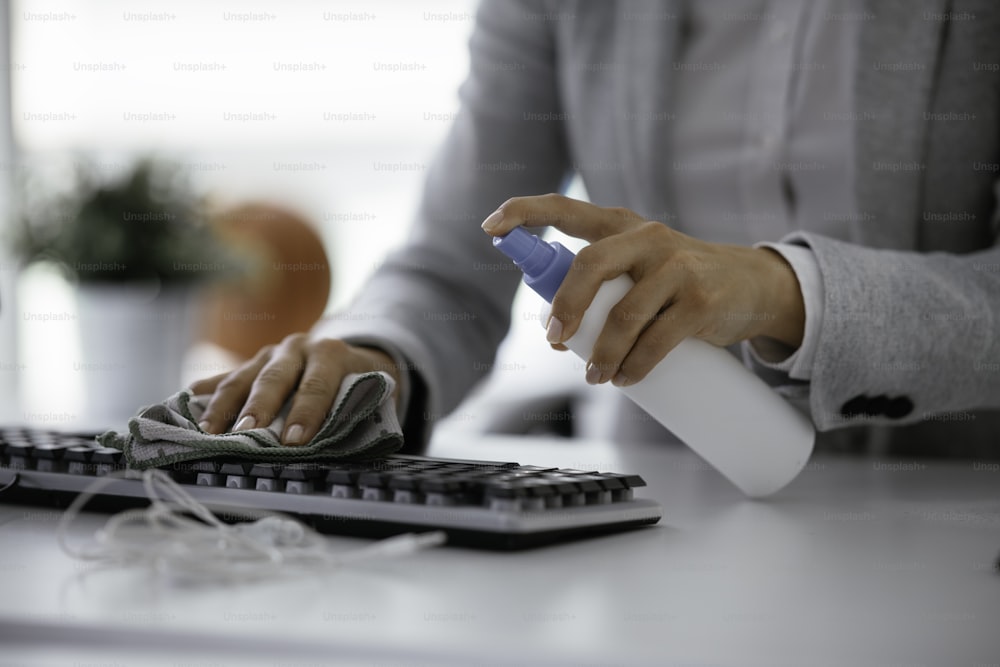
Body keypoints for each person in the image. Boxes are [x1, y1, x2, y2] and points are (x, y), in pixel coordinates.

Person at [191, 0, 1000, 459]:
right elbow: (445, 269)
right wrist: (373, 355)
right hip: (655, 522)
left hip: (953, 529)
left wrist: (783, 289)